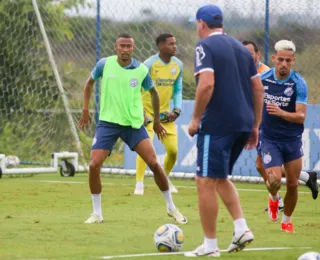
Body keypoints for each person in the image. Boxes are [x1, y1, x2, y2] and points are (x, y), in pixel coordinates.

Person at [78, 33, 187, 225]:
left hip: (134, 124)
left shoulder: (142, 70)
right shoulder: (104, 64)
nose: (125, 49)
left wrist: (157, 121)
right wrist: (85, 110)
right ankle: (97, 213)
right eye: (122, 46)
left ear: (133, 49)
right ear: (116, 47)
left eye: (129, 46)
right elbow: (89, 84)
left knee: (154, 163)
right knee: (94, 164)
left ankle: (171, 207)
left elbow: (153, 93)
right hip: (108, 123)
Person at [184, 4, 264, 257]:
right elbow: (258, 88)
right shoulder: (241, 48)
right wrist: (254, 125)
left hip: (218, 123)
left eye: (196, 23)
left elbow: (206, 84)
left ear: (202, 24)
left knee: (204, 181)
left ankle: (209, 247)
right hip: (242, 123)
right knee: (219, 178)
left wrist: (196, 119)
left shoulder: (204, 46)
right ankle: (241, 227)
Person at [242, 40, 319, 212]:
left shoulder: (267, 74)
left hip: (280, 132)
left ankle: (277, 200)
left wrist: (277, 113)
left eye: (250, 53)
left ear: (258, 55)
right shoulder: (251, 73)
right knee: (263, 166)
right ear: (275, 58)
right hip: (265, 130)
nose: (247, 56)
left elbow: (300, 114)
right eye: (243, 53)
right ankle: (302, 180)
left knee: (265, 167)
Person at [260, 40, 314, 233]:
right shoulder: (263, 78)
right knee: (274, 179)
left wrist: (281, 112)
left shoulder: (299, 83)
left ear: (293, 61)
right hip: (269, 138)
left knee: (292, 183)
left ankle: (287, 222)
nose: (283, 64)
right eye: (280, 59)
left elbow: (301, 116)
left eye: (288, 61)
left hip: (291, 139)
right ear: (274, 59)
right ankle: (274, 198)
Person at [134, 33, 183, 195]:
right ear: (161, 46)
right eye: (171, 44)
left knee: (173, 151)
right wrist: (140, 112)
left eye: (175, 43)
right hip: (146, 113)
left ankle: (164, 179)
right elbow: (134, 88)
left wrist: (177, 109)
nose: (175, 46)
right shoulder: (148, 64)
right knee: (145, 148)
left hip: (164, 116)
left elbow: (178, 90)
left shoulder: (178, 65)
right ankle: (139, 183)